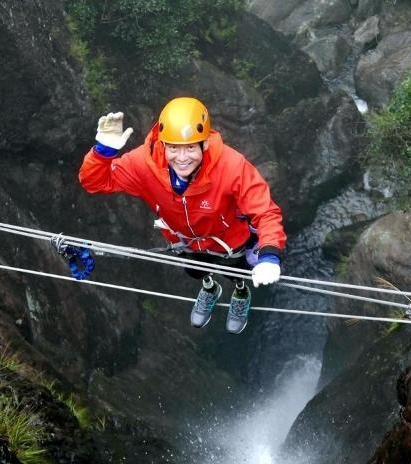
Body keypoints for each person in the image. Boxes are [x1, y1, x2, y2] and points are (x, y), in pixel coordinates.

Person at [79, 97, 287, 334]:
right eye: (173, 148)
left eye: (190, 147)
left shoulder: (231, 167)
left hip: (230, 241)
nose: (182, 158)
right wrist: (103, 151)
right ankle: (210, 289)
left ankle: (240, 291)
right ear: (162, 143)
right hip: (187, 242)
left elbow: (265, 211)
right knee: (195, 271)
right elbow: (94, 182)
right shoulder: (144, 165)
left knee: (238, 271)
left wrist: (270, 254)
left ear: (205, 144)